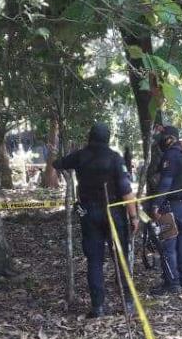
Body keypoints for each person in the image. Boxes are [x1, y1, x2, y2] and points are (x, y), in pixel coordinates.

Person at [55, 122, 139, 318]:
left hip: (88, 213)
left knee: (94, 260)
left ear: (89, 137)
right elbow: (126, 191)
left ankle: (98, 306)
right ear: (108, 138)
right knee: (121, 258)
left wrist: (60, 153)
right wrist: (133, 216)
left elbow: (57, 164)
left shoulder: (80, 156)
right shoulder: (115, 158)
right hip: (114, 213)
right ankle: (127, 302)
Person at [150, 125, 182, 294]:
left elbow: (166, 183)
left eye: (163, 137)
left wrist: (155, 205)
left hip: (171, 207)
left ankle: (172, 283)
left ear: (169, 138)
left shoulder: (171, 155)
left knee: (168, 245)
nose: (161, 140)